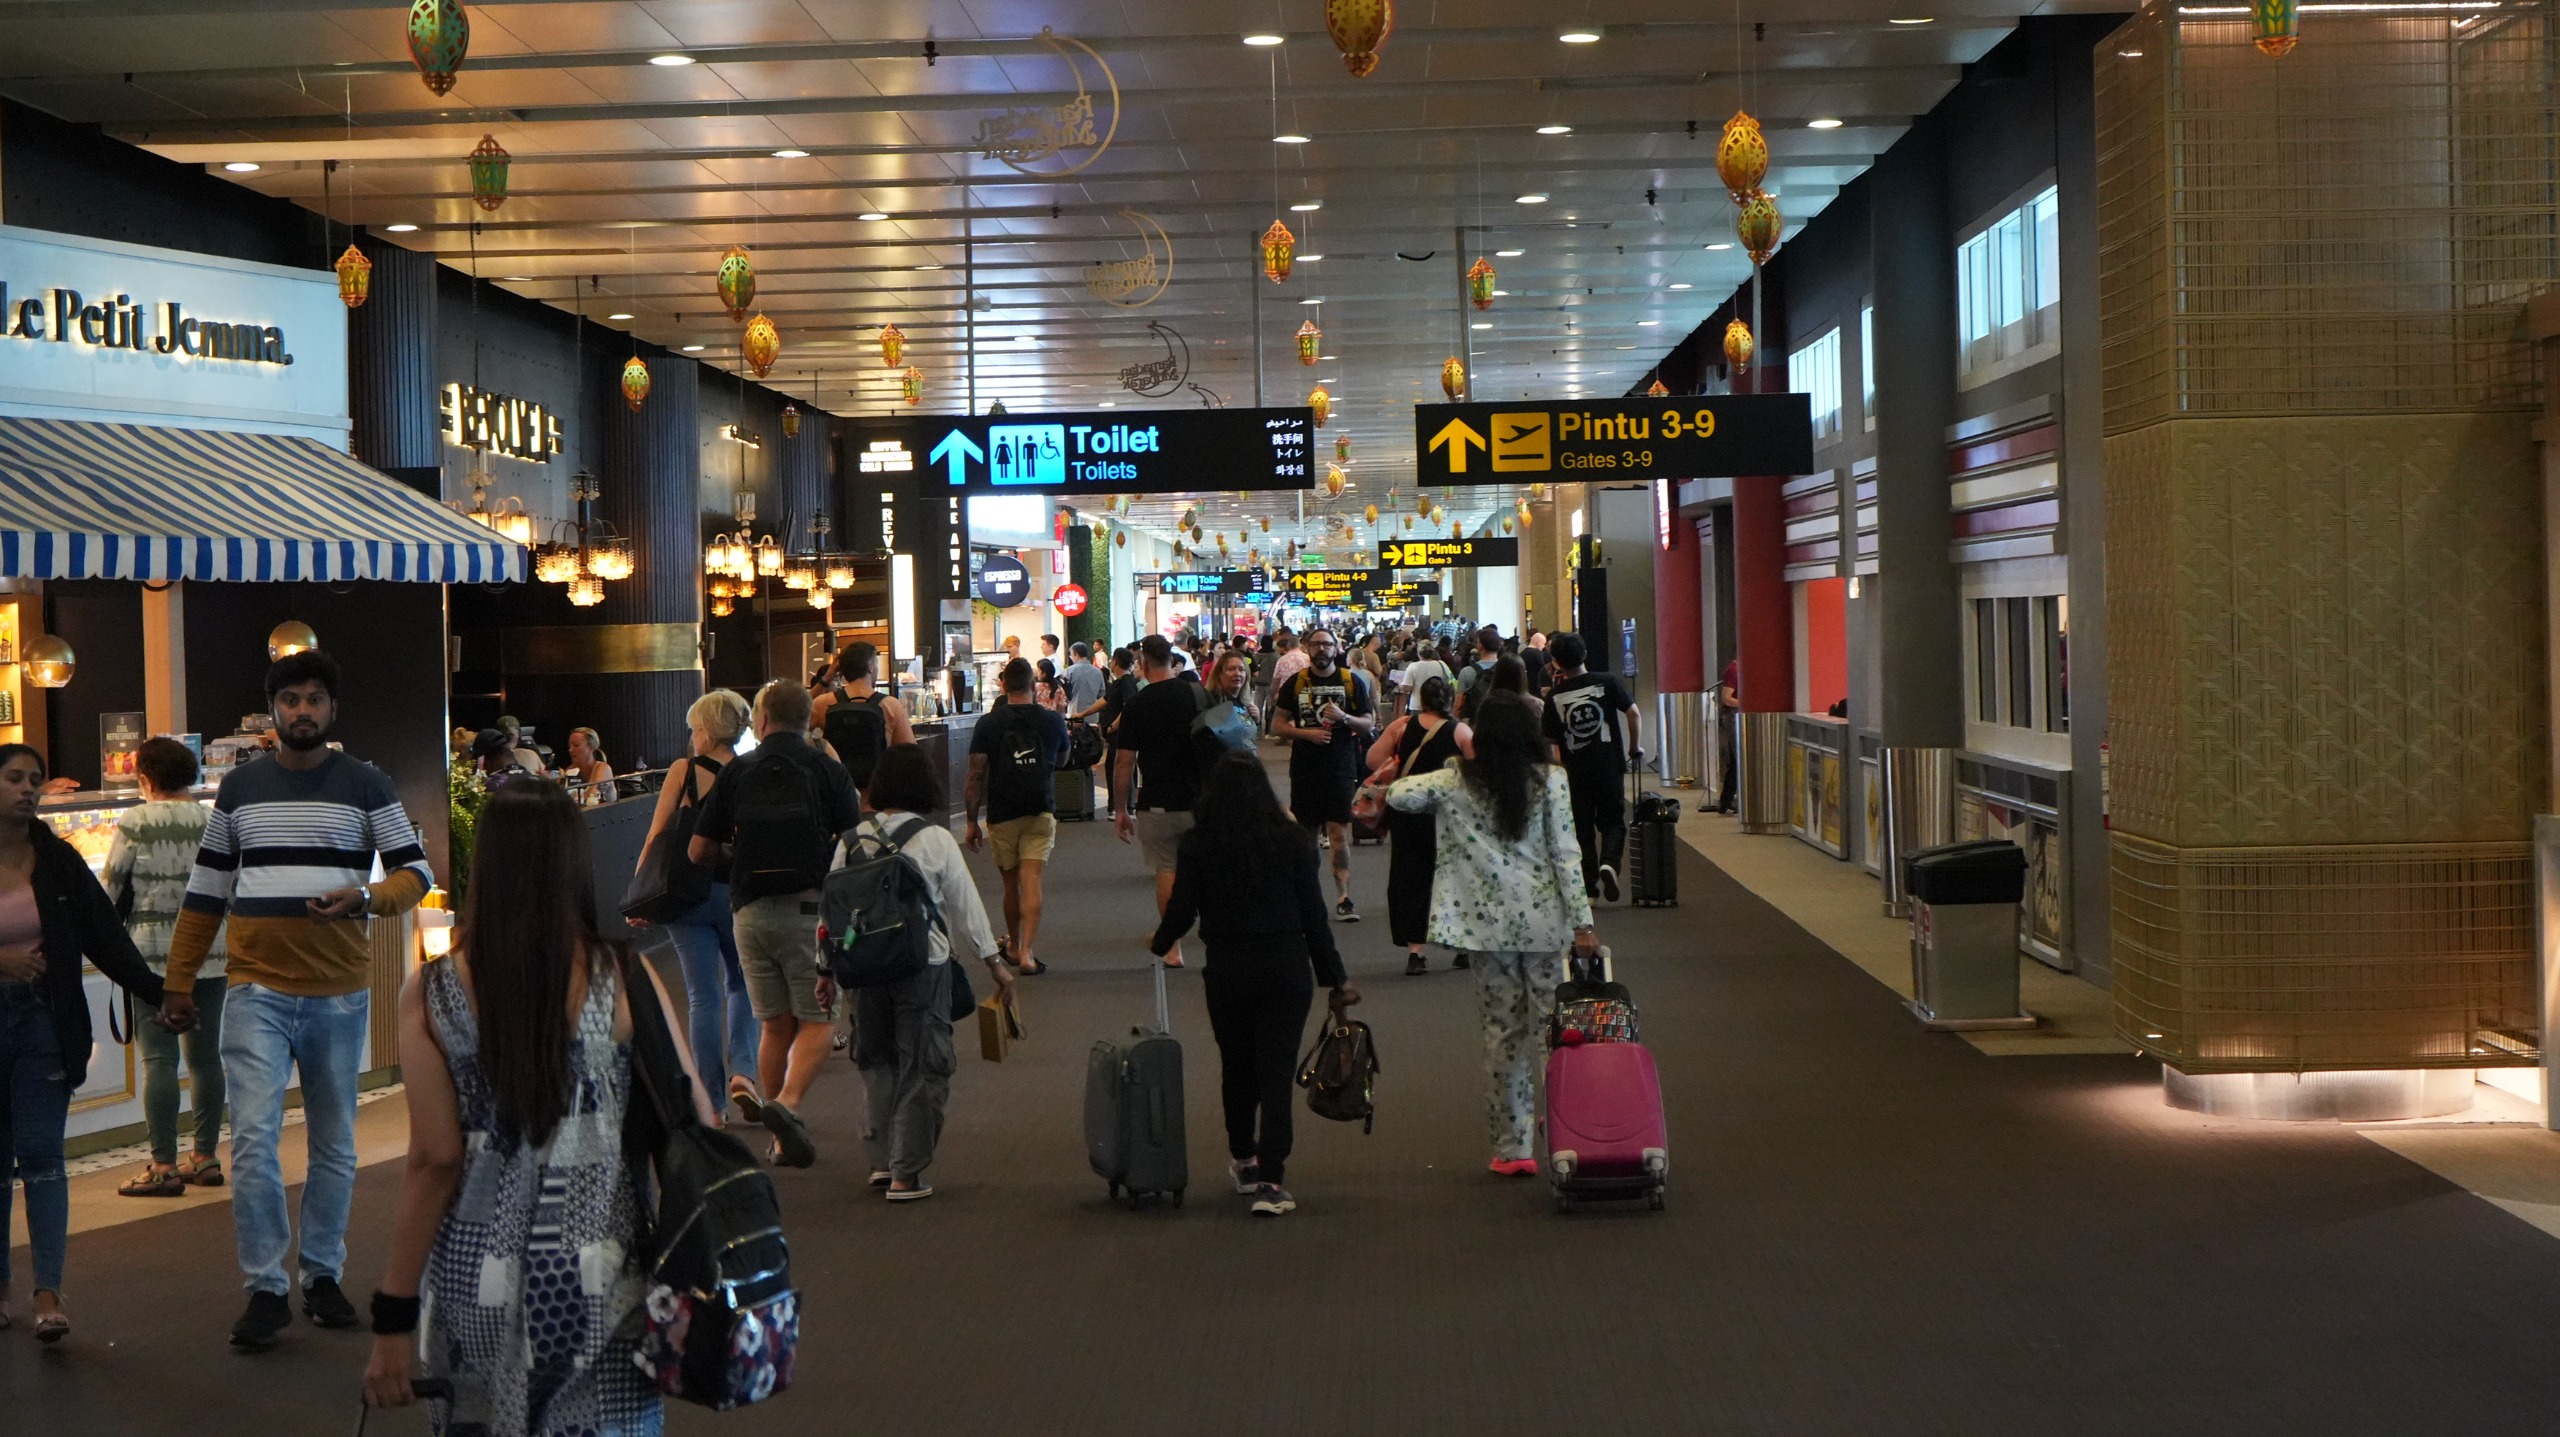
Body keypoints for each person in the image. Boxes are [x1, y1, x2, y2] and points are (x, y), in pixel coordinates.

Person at [362, 781, 712, 1435]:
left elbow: (435, 1160)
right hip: (605, 1276)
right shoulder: (623, 975)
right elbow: (698, 1116)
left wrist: (393, 1316)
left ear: (485, 866)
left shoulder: (432, 993)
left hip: (474, 1280)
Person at [160, 650, 433, 1351]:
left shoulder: (367, 784)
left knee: (334, 1142)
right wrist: (179, 980)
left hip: (339, 993)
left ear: (332, 709)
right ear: (272, 711)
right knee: (252, 1139)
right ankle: (265, 1287)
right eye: (290, 700)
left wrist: (364, 896)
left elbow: (414, 874)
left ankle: (321, 1273)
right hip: (255, 987)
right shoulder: (241, 788)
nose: (302, 710)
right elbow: (208, 890)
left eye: (314, 698)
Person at [1387, 694, 1597, 1176]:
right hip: (1545, 925)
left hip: (1484, 930)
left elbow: (1400, 797)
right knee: (1558, 1035)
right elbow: (1567, 855)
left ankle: (1513, 1148)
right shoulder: (1551, 781)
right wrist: (1583, 921)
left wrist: (1397, 777)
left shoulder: (1457, 780)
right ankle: (1571, 1135)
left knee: (1502, 1037)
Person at [0, 743, 168, 1342]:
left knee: (43, 1157)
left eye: (35, 780)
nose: (27, 789)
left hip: (45, 1020)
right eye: (14, 778)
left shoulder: (58, 860)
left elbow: (104, 934)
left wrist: (157, 991)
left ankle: (48, 1290)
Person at [1150, 751, 1358, 1217]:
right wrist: (1335, 976)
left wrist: (1159, 944)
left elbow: (1182, 909)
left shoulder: (1198, 844)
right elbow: (1314, 917)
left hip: (1228, 968)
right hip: (1286, 967)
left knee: (1236, 1066)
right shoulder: (1293, 843)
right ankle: (1272, 1179)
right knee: (1276, 1074)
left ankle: (1243, 1159)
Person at [688, 679, 863, 1169]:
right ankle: (785, 1106)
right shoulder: (828, 770)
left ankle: (782, 1140)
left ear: (762, 721)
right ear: (810, 720)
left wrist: (739, 855)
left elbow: (698, 851)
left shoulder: (738, 772)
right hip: (811, 910)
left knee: (773, 1024)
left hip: (749, 913)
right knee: (820, 1019)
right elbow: (853, 846)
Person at [843, 744, 1009, 1201]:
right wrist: (994, 963)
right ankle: (906, 1173)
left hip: (864, 969)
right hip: (922, 965)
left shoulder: (849, 841)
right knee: (924, 1065)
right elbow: (966, 905)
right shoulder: (933, 839)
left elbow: (831, 915)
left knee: (876, 1063)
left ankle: (881, 1163)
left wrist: (826, 972)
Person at [105, 737, 229, 1198]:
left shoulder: (137, 820)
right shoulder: (213, 819)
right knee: (205, 1058)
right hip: (212, 953)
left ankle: (162, 1164)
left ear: (145, 779)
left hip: (151, 957)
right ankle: (206, 1155)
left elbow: (111, 887)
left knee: (159, 1059)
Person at [628, 689, 759, 1112]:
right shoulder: (750, 772)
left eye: (694, 728)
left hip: (687, 897)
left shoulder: (683, 771)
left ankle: (713, 1104)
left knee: (702, 997)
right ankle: (744, 1071)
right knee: (743, 984)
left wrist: (640, 896)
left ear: (705, 730)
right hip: (738, 894)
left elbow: (657, 834)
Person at [1113, 636, 1214, 969]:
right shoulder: (1198, 693)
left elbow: (1124, 762)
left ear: (1142, 662)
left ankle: (1173, 947)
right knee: (1210, 869)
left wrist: (1122, 809)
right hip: (1202, 799)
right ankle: (1216, 935)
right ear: (1172, 659)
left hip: (1157, 801)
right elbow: (1235, 735)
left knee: (1167, 870)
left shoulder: (1137, 704)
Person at [1363, 676, 1471, 977]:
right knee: (1452, 876)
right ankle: (1460, 946)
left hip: (1408, 813)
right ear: (1449, 699)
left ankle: (1415, 952)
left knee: (1410, 878)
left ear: (1421, 699)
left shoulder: (1402, 726)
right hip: (1447, 816)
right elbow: (1479, 774)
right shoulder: (1460, 731)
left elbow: (1372, 759)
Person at [966, 658, 1068, 974]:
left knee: (1011, 885)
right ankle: (1026, 952)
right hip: (1040, 807)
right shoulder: (1052, 721)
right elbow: (1063, 760)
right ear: (1033, 686)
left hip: (1003, 811)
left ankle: (1011, 944)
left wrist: (971, 821)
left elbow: (975, 774)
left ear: (1004, 685)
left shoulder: (988, 723)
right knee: (1032, 879)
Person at [1272, 628, 1378, 920]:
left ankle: (1344, 896)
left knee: (1338, 833)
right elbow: (1277, 725)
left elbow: (1368, 724)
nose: (1322, 650)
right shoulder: (1296, 683)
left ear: (1337, 648)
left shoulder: (1350, 681)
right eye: (1316, 645)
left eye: (1327, 645)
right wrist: (1305, 734)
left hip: (1341, 768)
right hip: (1305, 768)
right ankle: (1308, 897)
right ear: (1307, 647)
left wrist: (1345, 718)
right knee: (1306, 837)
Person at [1544, 631, 1641, 902]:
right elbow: (1634, 713)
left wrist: (1558, 767)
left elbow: (1550, 740)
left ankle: (1589, 888)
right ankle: (1609, 863)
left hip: (1575, 771)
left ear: (1556, 662)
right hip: (1609, 765)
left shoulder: (1555, 696)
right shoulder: (1608, 681)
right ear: (1585, 653)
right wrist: (1634, 747)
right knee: (1612, 822)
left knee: (1582, 829)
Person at [814, 641, 915, 794]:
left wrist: (826, 678)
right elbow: (910, 754)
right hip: (877, 792)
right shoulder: (890, 705)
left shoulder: (823, 703)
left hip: (837, 790)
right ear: (870, 666)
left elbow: (793, 716)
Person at [1713, 658, 1741, 815]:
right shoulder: (1734, 670)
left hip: (1736, 717)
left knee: (1735, 760)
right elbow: (1726, 697)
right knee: (1737, 760)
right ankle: (1727, 801)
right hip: (1732, 717)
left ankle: (1727, 801)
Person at [564, 726, 617, 808]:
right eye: (569, 746)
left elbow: (591, 798)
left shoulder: (603, 768)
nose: (570, 750)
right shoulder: (571, 769)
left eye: (576, 745)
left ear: (591, 747)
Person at [1398, 642, 1453, 714]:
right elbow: (1449, 681)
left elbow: (1407, 687)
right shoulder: (1441, 664)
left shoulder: (1413, 666)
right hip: (1436, 704)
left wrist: (1399, 682)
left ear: (1418, 653)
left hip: (1417, 705)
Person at [1061, 641, 1108, 721]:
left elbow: (1065, 694)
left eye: (1071, 655)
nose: (1071, 657)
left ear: (1076, 654)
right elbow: (1102, 694)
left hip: (1075, 714)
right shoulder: (1098, 672)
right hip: (1093, 716)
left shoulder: (1070, 671)